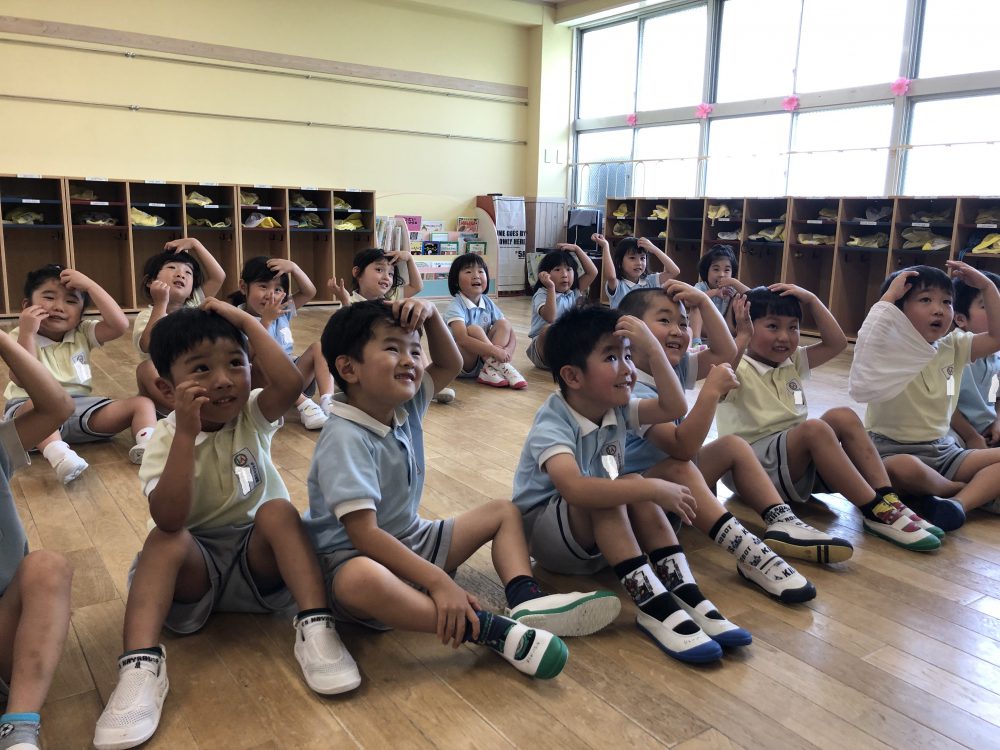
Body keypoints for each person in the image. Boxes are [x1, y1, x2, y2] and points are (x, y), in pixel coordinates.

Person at [304, 300, 620, 681]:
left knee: (504, 511)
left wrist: (431, 316)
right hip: (357, 558)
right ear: (347, 368)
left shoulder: (404, 406)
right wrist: (439, 582)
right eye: (392, 348)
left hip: (412, 539)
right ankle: (484, 628)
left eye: (415, 350)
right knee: (359, 580)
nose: (410, 361)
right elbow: (364, 536)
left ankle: (525, 599)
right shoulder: (344, 437)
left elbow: (450, 363)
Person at [93, 301, 358, 750]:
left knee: (278, 510)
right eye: (201, 369)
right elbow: (171, 518)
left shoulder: (252, 412)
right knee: (163, 540)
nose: (223, 379)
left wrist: (245, 321)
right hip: (196, 569)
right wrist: (184, 433)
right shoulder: (164, 438)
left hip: (258, 561)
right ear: (166, 388)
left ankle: (316, 624)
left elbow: (290, 383)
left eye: (236, 363)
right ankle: (139, 666)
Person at [513, 304, 749, 664]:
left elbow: (673, 407)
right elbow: (575, 489)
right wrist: (651, 489)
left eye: (628, 355)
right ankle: (654, 607)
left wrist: (653, 351)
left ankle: (685, 591)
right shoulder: (553, 421)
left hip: (595, 539)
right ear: (573, 376)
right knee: (623, 487)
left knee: (629, 483)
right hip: (550, 538)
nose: (627, 369)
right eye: (612, 357)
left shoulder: (618, 406)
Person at [617, 284, 828, 600]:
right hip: (639, 506)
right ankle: (750, 553)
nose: (678, 330)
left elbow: (725, 352)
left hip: (674, 493)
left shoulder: (674, 367)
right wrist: (711, 392)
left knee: (731, 445)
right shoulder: (629, 388)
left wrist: (704, 302)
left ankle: (781, 519)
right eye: (664, 320)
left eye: (683, 323)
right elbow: (682, 447)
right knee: (679, 466)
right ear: (630, 331)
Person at [717, 284, 944, 552]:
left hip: (791, 462)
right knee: (814, 429)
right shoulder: (737, 367)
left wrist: (813, 299)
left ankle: (888, 499)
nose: (784, 337)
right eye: (773, 326)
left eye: (793, 327)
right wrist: (742, 336)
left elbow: (837, 343)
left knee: (842, 415)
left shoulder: (792, 361)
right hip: (751, 469)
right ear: (746, 326)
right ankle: (874, 511)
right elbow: (722, 375)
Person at [849, 262, 1000, 529]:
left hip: (944, 450)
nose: (939, 309)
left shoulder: (954, 345)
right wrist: (889, 298)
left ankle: (957, 504)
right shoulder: (886, 348)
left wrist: (987, 287)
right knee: (904, 468)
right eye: (926, 300)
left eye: (946, 301)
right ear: (897, 311)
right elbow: (869, 335)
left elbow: (997, 337)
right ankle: (964, 490)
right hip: (890, 451)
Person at [3, 266, 156, 484]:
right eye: (49, 297)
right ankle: (60, 455)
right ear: (27, 306)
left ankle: (149, 445)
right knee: (30, 407)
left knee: (142, 403)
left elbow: (119, 325)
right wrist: (28, 332)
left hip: (80, 409)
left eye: (71, 301)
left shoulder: (82, 332)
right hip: (34, 412)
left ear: (81, 313)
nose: (59, 306)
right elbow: (20, 378)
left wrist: (91, 286)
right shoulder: (19, 335)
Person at [0, 331, 75, 750]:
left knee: (48, 566)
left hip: (7, 634)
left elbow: (57, 407)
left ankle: (18, 728)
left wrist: (4, 339)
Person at [328, 248, 457, 404]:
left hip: (388, 357)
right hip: (364, 361)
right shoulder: (350, 301)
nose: (386, 277)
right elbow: (345, 335)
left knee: (412, 346)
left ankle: (425, 382)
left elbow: (417, 286)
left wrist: (409, 259)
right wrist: (344, 302)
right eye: (379, 270)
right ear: (357, 272)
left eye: (390, 273)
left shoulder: (391, 299)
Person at [228, 255, 332, 429]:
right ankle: (305, 405)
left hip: (292, 376)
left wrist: (294, 268)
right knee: (261, 359)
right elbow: (247, 355)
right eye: (263, 286)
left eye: (277, 289)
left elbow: (309, 292)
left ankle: (328, 401)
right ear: (243, 287)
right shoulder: (237, 318)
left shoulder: (282, 310)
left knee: (319, 347)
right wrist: (266, 320)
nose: (270, 295)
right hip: (262, 382)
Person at [133, 238, 226, 416]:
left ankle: (203, 408)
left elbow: (218, 276)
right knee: (146, 368)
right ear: (150, 281)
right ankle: (187, 411)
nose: (181, 274)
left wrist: (195, 244)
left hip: (193, 376)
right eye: (172, 268)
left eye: (188, 272)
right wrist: (161, 304)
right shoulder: (147, 315)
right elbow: (148, 345)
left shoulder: (195, 305)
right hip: (165, 394)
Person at [443, 252, 526, 389]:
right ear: (455, 281)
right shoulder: (455, 306)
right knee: (473, 329)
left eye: (481, 271)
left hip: (485, 361)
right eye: (468, 271)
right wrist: (495, 351)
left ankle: (493, 368)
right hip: (463, 363)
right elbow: (462, 339)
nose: (476, 275)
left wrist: (506, 353)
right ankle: (497, 366)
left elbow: (510, 332)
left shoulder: (487, 302)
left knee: (504, 324)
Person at [949, 271, 1000, 451]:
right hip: (956, 428)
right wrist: (971, 436)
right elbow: (945, 404)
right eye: (988, 306)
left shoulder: (996, 354)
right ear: (960, 319)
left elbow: (995, 396)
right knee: (945, 443)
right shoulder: (952, 350)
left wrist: (997, 422)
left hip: (987, 428)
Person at [526, 244, 599, 370]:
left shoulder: (572, 292)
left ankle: (575, 360)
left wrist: (577, 249)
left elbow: (593, 272)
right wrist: (550, 287)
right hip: (542, 350)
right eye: (557, 269)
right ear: (545, 274)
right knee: (549, 329)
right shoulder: (542, 294)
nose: (564, 274)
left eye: (569, 269)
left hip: (564, 345)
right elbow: (551, 317)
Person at [600, 234, 680, 309]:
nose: (639, 263)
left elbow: (674, 271)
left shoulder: (650, 281)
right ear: (619, 262)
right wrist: (605, 246)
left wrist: (654, 249)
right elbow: (611, 276)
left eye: (642, 258)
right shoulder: (619, 285)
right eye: (632, 258)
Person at [689, 244, 745, 347]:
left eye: (727, 270)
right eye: (716, 269)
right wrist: (715, 292)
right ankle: (695, 342)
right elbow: (688, 301)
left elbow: (752, 296)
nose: (721, 274)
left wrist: (735, 283)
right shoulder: (701, 287)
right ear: (706, 271)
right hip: (702, 330)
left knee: (738, 299)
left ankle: (731, 340)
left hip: (721, 331)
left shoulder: (731, 289)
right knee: (696, 301)